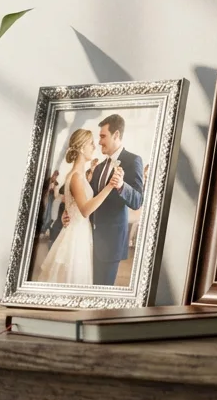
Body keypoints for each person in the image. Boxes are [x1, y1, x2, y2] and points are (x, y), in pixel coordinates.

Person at [34, 129, 116, 284]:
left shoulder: (76, 175)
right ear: (82, 147)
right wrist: (110, 186)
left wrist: (66, 214)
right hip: (77, 234)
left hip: (77, 229)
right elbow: (85, 210)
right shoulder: (77, 177)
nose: (94, 147)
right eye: (91, 143)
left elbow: (71, 205)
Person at [88, 114, 146, 286]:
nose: (99, 142)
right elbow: (91, 200)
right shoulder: (98, 167)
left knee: (103, 289)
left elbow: (137, 200)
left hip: (111, 242)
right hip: (89, 239)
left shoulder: (133, 160)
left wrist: (121, 185)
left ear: (116, 135)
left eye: (103, 136)